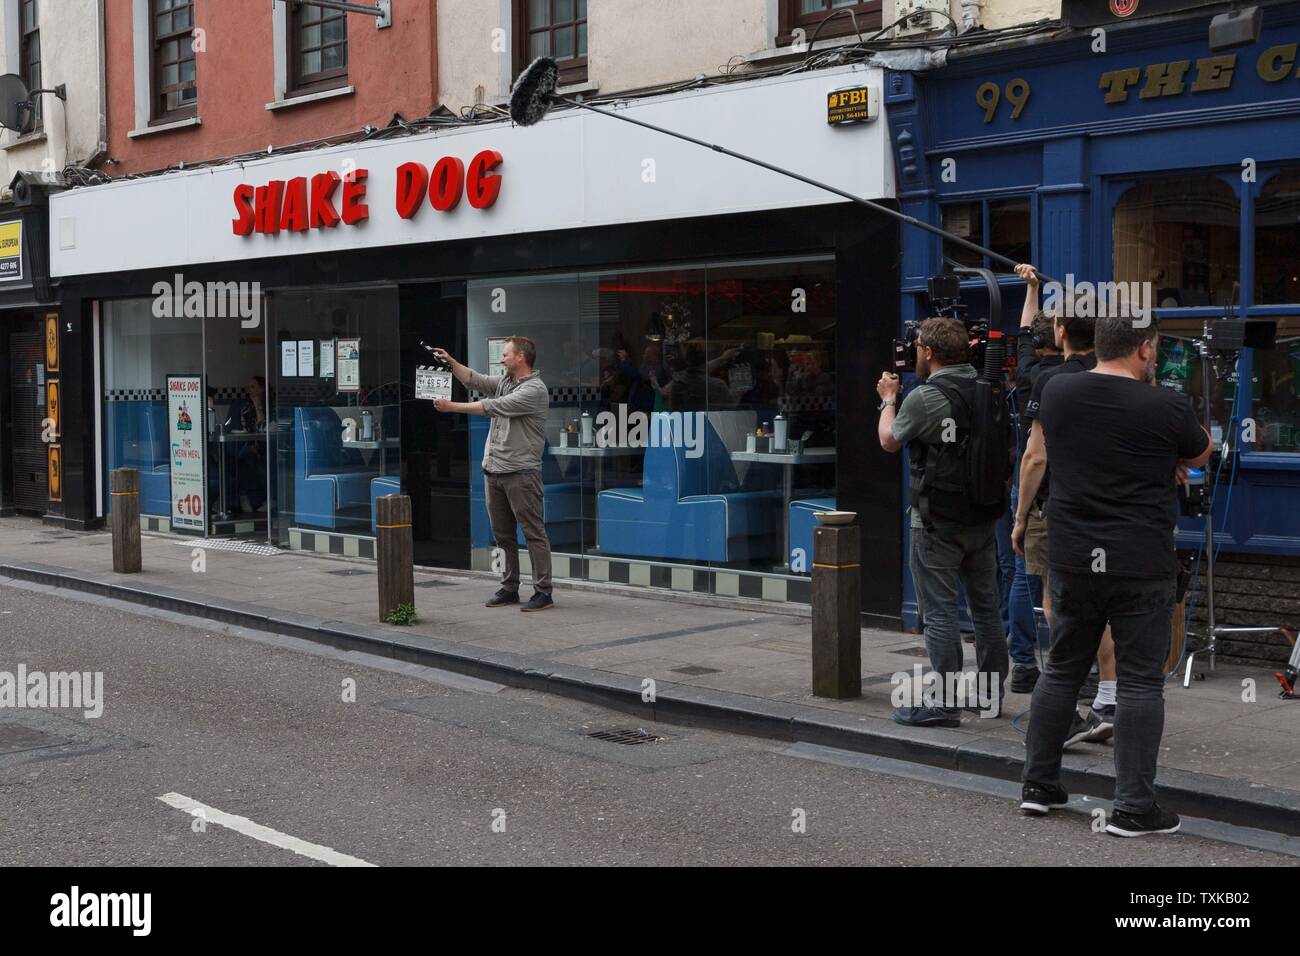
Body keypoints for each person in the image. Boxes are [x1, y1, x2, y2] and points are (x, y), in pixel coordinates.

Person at [1019, 314, 1211, 836]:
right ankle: (1132, 807)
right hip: (1139, 558)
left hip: (1073, 554)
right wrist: (1165, 458)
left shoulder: (1056, 391)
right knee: (1141, 682)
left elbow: (1042, 452)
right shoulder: (1166, 405)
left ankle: (1038, 786)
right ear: (1145, 351)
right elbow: (1199, 454)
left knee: (1060, 669)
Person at [877, 317, 1008, 727]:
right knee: (986, 610)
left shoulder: (925, 396)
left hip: (936, 522)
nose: (915, 354)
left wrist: (888, 399)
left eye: (917, 348)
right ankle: (989, 695)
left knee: (939, 613)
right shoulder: (988, 387)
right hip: (983, 519)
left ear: (929, 353)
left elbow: (889, 440)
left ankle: (945, 701)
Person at [1012, 274, 1117, 747]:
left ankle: (1067, 700)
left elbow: (1036, 456)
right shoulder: (1116, 376)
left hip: (1059, 506)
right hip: (1110, 507)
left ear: (1059, 334)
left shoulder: (1048, 381)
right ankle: (1110, 695)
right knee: (1105, 604)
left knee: (1061, 603)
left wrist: (1019, 516)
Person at [430, 337, 554, 612]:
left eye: (506, 354)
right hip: (494, 470)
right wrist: (450, 361)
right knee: (503, 536)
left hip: (521, 473)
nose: (502, 359)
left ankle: (543, 592)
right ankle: (510, 588)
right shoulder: (505, 382)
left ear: (521, 357)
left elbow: (491, 407)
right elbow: (474, 380)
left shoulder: (534, 390)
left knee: (533, 533)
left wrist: (452, 408)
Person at [1006, 266, 1064, 694]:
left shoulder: (1028, 372)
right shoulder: (1077, 374)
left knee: (1024, 577)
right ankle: (1079, 669)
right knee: (1065, 582)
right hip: (1068, 486)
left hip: (1032, 487)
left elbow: (1025, 329)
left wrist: (1032, 289)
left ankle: (1024, 663)